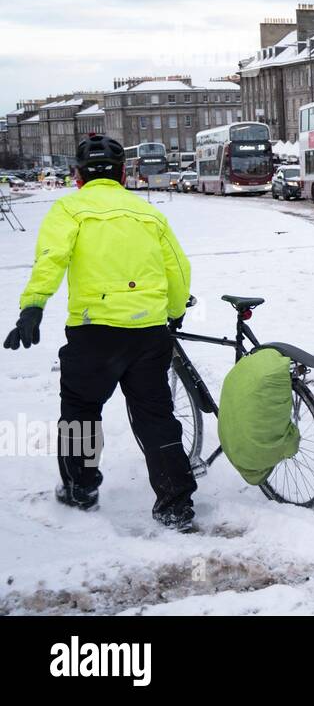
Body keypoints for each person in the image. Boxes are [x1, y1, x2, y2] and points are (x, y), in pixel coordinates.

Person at [4, 135, 197, 530]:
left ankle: (81, 487)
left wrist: (33, 306)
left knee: (81, 411)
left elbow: (50, 259)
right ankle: (175, 506)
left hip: (94, 334)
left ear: (78, 176)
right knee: (156, 417)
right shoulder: (147, 213)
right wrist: (174, 313)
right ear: (124, 174)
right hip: (147, 332)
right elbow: (177, 269)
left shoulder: (69, 209)